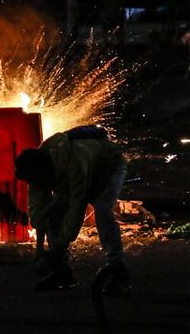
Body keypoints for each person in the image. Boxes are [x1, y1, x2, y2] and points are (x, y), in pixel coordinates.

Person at [14, 125, 130, 293]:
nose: (37, 184)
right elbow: (39, 210)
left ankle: (117, 269)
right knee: (54, 214)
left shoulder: (73, 165)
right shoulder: (35, 168)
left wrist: (55, 253)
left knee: (103, 210)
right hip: (78, 173)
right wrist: (39, 249)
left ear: (44, 173)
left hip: (108, 168)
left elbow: (76, 210)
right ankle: (62, 273)